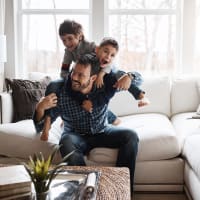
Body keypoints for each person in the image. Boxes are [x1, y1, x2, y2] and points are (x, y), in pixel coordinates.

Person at [33, 54, 139, 194]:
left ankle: (121, 190)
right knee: (66, 140)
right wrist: (40, 107)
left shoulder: (104, 84)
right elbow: (39, 127)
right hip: (75, 135)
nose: (74, 77)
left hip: (103, 131)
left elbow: (138, 80)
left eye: (81, 75)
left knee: (131, 136)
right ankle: (86, 192)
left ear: (93, 78)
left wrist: (129, 76)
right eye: (73, 72)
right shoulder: (61, 92)